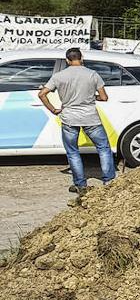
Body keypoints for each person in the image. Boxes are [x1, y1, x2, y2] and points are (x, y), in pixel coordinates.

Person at [37, 47, 115, 198]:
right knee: (103, 148)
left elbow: (42, 94)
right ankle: (109, 181)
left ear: (67, 60)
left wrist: (53, 110)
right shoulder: (92, 74)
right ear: (82, 58)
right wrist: (92, 98)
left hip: (69, 118)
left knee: (73, 152)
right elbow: (104, 97)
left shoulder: (59, 76)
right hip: (91, 118)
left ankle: (80, 185)